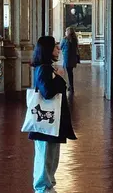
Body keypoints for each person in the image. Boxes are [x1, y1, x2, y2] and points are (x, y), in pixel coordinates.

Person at [29, 36, 77, 193]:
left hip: (51, 121)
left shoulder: (47, 68)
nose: (59, 50)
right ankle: (42, 187)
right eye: (56, 48)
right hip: (46, 122)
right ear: (48, 50)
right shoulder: (44, 69)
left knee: (51, 156)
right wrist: (60, 77)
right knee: (45, 157)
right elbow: (48, 92)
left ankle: (48, 184)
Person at [60, 27, 80, 93]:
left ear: (68, 32)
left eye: (66, 31)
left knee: (68, 73)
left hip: (67, 58)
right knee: (70, 73)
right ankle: (70, 86)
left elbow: (61, 47)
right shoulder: (75, 39)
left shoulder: (65, 39)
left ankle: (69, 86)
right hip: (73, 58)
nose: (65, 32)